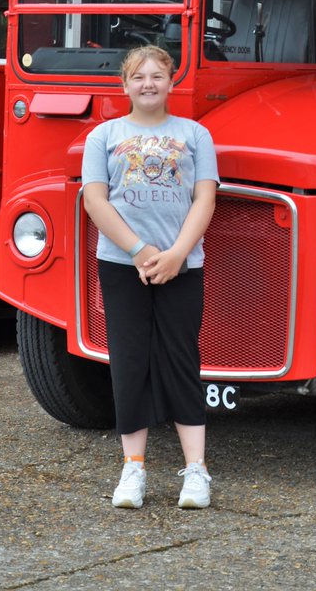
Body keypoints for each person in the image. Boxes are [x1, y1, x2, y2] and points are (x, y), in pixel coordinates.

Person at [81, 45, 218, 510]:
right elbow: (95, 202)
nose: (148, 84)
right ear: (125, 85)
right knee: (129, 361)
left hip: (183, 265)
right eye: (139, 77)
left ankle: (196, 472)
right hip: (122, 265)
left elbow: (204, 200)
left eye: (157, 76)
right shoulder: (103, 136)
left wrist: (177, 253)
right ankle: (133, 469)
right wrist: (140, 251)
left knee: (182, 358)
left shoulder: (196, 135)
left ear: (171, 83)